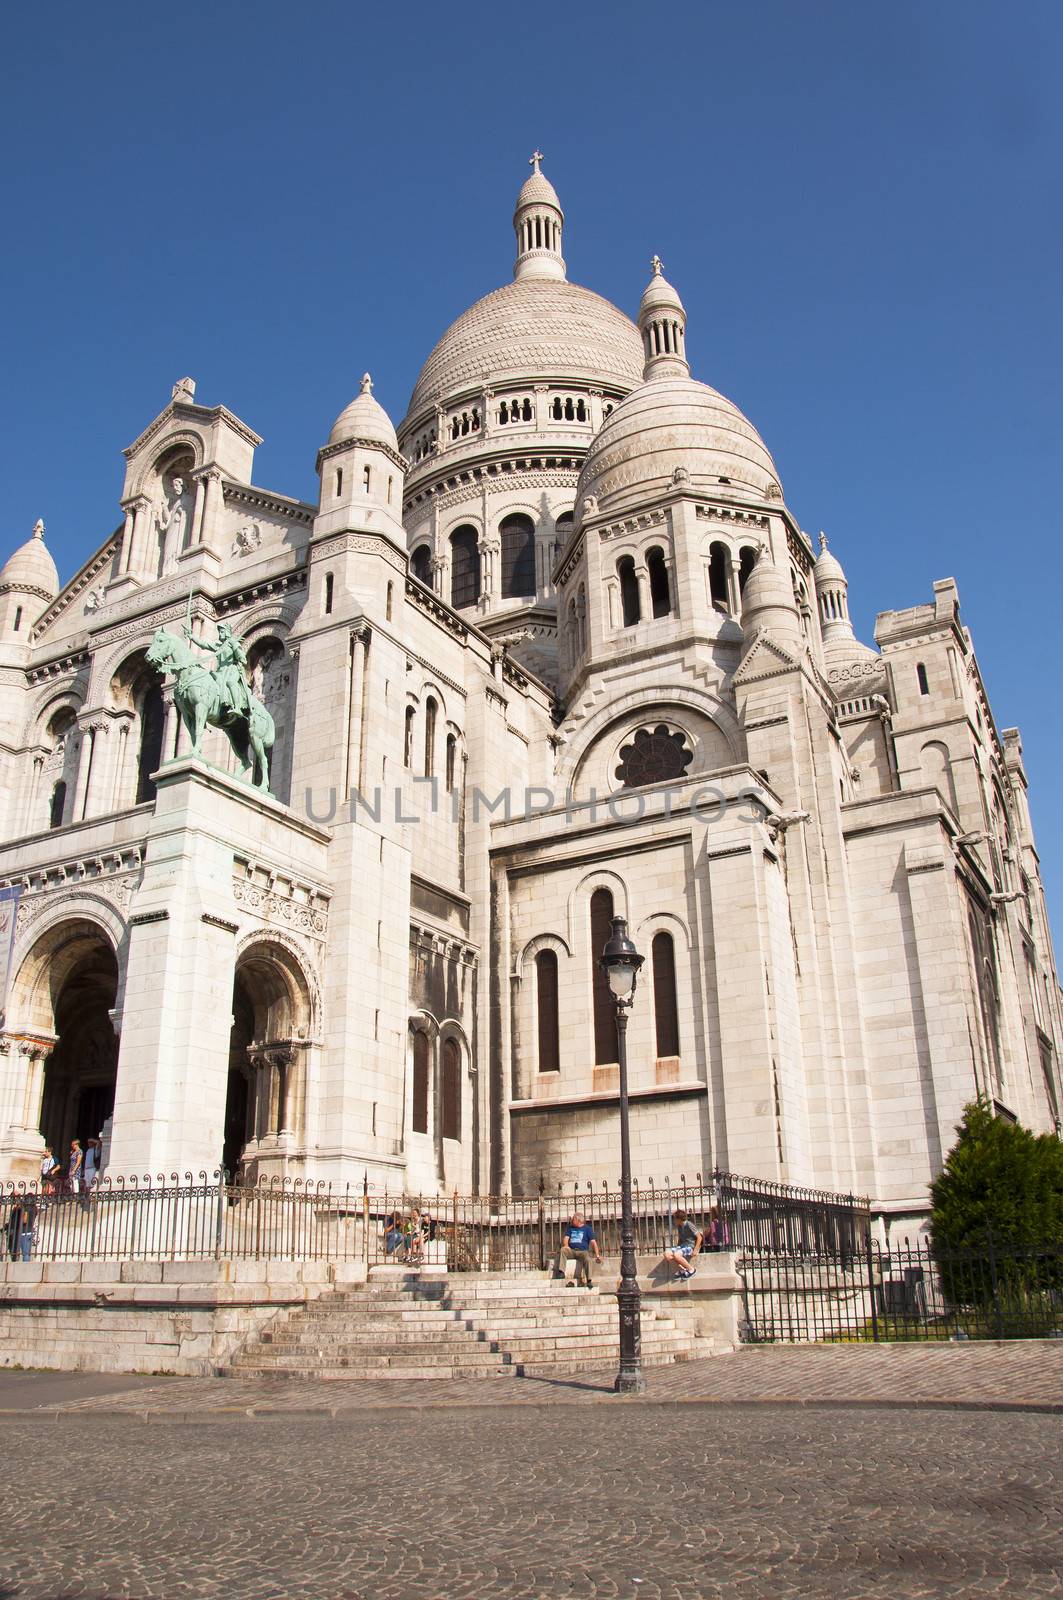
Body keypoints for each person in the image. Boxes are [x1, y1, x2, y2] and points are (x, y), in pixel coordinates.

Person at [558, 1211, 602, 1288]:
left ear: (578, 1220)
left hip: (582, 1252)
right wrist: (566, 1245)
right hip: (572, 1250)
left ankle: (589, 1280)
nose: (572, 1221)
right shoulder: (570, 1228)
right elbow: (566, 1238)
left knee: (588, 1259)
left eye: (573, 1219)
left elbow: (593, 1243)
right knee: (563, 1250)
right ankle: (561, 1272)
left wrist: (597, 1255)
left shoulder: (588, 1229)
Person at [664, 1209, 703, 1280]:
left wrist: (695, 1249)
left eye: (675, 1218)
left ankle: (692, 1270)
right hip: (683, 1246)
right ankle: (684, 1269)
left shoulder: (689, 1224)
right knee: (667, 1254)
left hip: (690, 1246)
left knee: (676, 1255)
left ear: (679, 1219)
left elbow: (699, 1237)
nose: (674, 1220)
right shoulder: (679, 1226)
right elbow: (680, 1239)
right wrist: (677, 1247)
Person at [6, 1195, 36, 1262]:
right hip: (31, 1231)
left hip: (24, 1232)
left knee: (24, 1253)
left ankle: (25, 1267)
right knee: (27, 1252)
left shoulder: (25, 1209)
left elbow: (24, 1220)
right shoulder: (34, 1208)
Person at [80, 1137, 101, 1208]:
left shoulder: (96, 1149)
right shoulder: (88, 1150)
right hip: (87, 1169)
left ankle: (92, 1198)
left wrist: (92, 1140)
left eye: (90, 1142)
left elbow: (99, 1142)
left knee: (92, 1184)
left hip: (92, 1168)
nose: (89, 1144)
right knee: (87, 1185)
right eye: (88, 1143)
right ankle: (88, 1198)